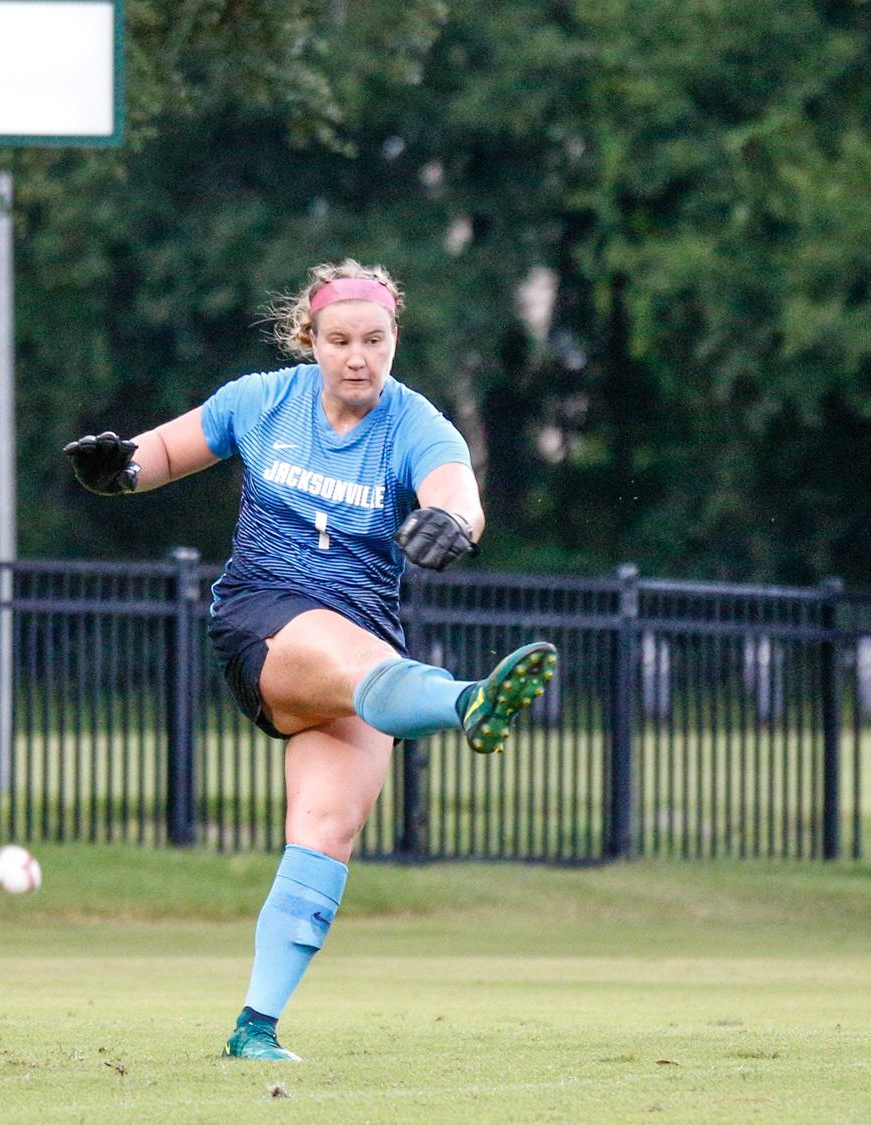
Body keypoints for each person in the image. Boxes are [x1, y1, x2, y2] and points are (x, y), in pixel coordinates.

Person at [63, 259, 557, 1062]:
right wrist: (115, 469)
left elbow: (457, 489)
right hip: (264, 622)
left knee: (326, 831)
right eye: (339, 340)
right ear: (310, 341)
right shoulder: (262, 400)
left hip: (362, 642)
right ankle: (468, 702)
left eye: (375, 339)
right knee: (369, 675)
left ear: (395, 340)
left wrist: (454, 523)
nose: (358, 356)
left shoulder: (416, 421)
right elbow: (157, 454)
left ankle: (254, 1027)